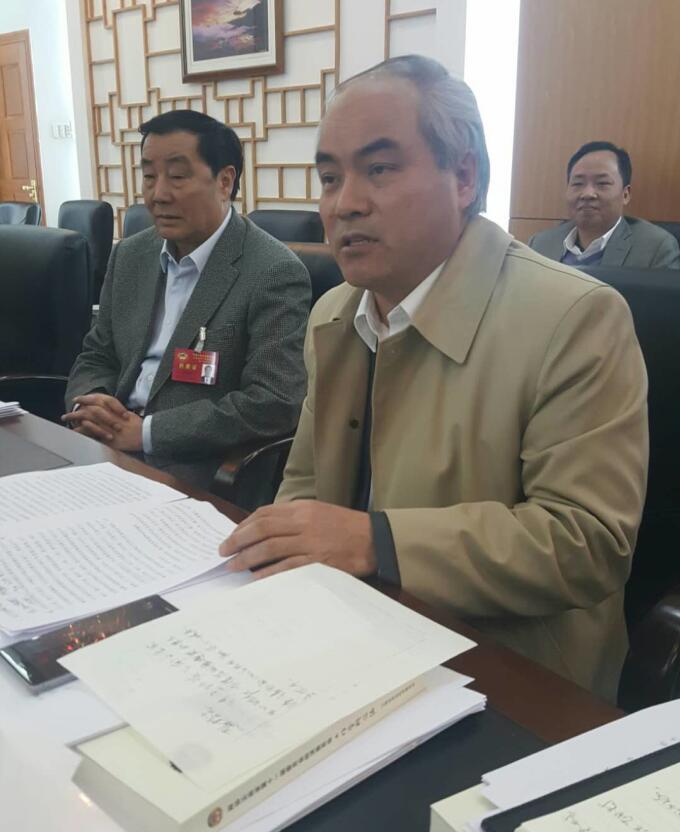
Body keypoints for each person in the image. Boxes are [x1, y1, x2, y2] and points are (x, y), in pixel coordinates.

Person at [218, 56, 648, 701]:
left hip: (509, 673)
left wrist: (377, 543)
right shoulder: (334, 312)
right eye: (330, 177)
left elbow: (586, 542)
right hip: (350, 635)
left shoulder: (575, 316)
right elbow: (304, 484)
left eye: (380, 169)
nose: (345, 203)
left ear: (464, 176)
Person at [64, 110, 310, 488]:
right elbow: (97, 354)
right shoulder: (130, 255)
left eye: (177, 176)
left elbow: (273, 403)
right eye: (149, 176)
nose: (158, 194)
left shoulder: (273, 271)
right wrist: (94, 406)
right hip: (105, 449)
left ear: (224, 181)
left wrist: (147, 433)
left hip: (193, 468)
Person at [528, 141, 680, 268]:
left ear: (625, 195)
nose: (587, 194)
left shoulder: (656, 249)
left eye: (602, 183)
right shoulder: (540, 244)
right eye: (578, 183)